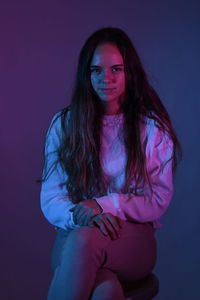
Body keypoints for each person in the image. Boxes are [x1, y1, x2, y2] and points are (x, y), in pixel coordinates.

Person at [39, 27, 182, 300]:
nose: (106, 78)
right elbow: (51, 197)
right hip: (72, 234)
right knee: (105, 290)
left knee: (84, 240)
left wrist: (104, 205)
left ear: (130, 72)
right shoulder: (65, 124)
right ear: (86, 74)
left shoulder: (151, 128)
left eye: (116, 69)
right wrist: (86, 215)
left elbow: (157, 199)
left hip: (131, 241)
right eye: (97, 70)